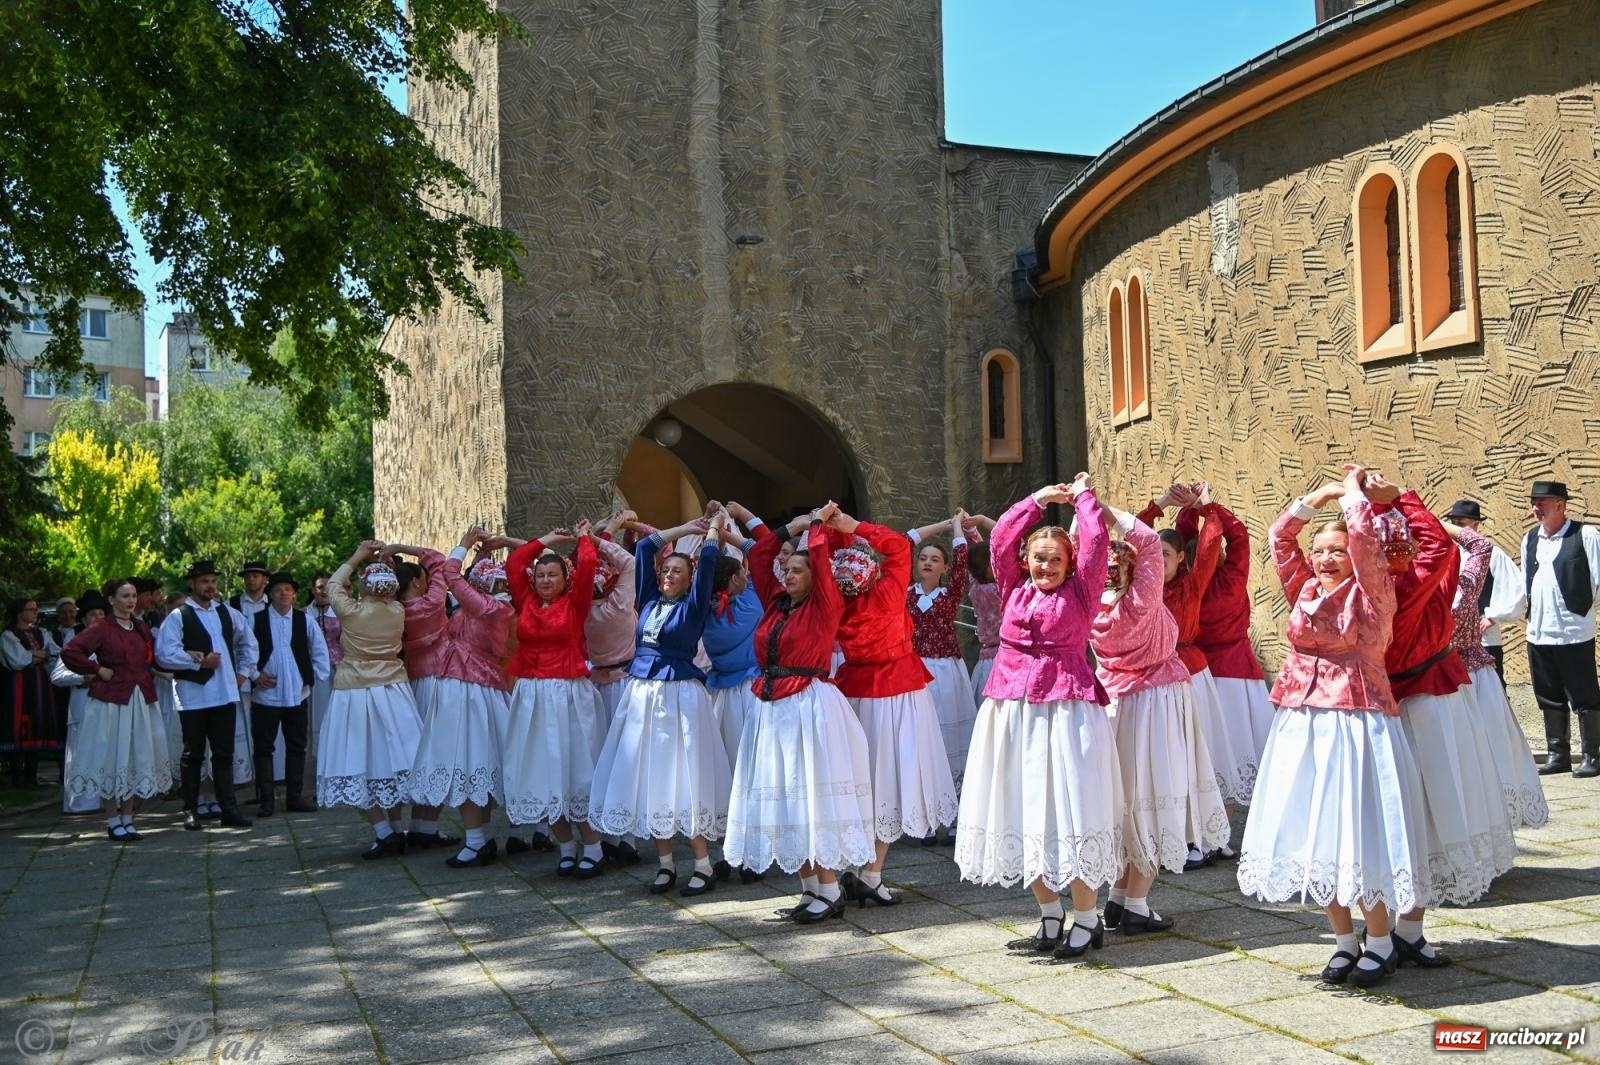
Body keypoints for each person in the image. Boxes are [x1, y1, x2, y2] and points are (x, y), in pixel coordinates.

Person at [1237, 467, 1430, 990]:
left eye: (1335, 551)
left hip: (1357, 722)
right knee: (1315, 832)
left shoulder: (1373, 595)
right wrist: (1313, 499)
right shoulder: (1303, 589)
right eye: (1319, 550)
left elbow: (1366, 540)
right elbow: (1279, 538)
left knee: (1358, 832)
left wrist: (1351, 498)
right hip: (1302, 723)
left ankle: (1383, 940)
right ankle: (1344, 941)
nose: (1323, 558)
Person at [956, 476, 1125, 959]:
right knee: (1022, 809)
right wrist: (1039, 501)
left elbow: (1095, 546)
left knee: (1070, 812)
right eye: (1039, 557)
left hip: (1067, 710)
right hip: (1011, 710)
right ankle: (1050, 914)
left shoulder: (1083, 591)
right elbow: (1003, 537)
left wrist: (1085, 499)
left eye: (1056, 558)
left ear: (1070, 563)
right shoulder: (1012, 587)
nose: (1046, 565)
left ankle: (1088, 918)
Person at [1369, 476, 1514, 965]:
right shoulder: (1386, 584)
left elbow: (1450, 547)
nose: (1396, 552)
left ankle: (1408, 928)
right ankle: (1392, 928)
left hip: (1429, 702)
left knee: (1432, 814)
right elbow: (1448, 543)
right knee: (1397, 818)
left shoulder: (1432, 575)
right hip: (1390, 706)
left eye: (1400, 544)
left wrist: (1387, 506)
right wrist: (1401, 502)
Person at [724, 502, 875, 923]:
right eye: (786, 569)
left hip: (807, 703)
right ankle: (809, 888)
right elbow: (758, 556)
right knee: (786, 799)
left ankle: (829, 889)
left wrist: (815, 526)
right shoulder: (776, 603)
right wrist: (781, 527)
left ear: (814, 577)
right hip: (771, 706)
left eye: (797, 570)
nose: (788, 575)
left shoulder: (824, 604)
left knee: (811, 797)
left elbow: (822, 560)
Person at [1091, 499, 1229, 935]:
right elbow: (1149, 542)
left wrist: (1085, 514)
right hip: (1156, 704)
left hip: (1112, 703)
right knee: (1155, 795)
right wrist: (1102, 508)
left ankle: (1116, 897)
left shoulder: (1092, 606)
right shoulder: (1143, 600)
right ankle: (1135, 902)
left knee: (1123, 799)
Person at [591, 514, 730, 896]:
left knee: (686, 775)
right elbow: (644, 547)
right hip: (642, 693)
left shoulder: (694, 606)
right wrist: (685, 529)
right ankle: (666, 864)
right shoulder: (649, 598)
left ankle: (702, 865)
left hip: (680, 694)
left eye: (677, 571)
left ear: (689, 579)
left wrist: (713, 531)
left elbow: (709, 564)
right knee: (651, 774)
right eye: (666, 570)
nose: (668, 575)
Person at [826, 507, 957, 907]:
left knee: (859, 781)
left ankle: (853, 867)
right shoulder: (886, 594)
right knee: (892, 783)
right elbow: (900, 546)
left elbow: (830, 561)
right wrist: (853, 527)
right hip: (899, 692)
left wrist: (828, 532)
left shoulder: (838, 604)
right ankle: (871, 872)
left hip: (854, 693)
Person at [1139, 484, 1254, 867]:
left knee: (1200, 757)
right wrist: (1163, 506)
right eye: (1153, 554)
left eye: (1166, 553)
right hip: (1152, 681)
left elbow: (1209, 544)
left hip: (1191, 675)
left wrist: (1207, 508)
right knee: (1169, 760)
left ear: (1179, 559)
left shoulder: (1192, 584)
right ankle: (1182, 834)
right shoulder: (1140, 590)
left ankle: (1205, 836)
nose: (1157, 559)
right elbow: (1134, 541)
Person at [396, 527, 516, 867]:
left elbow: (449, 571)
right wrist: (482, 554)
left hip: (468, 691)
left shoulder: (489, 607)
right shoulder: (491, 605)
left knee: (468, 764)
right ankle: (483, 838)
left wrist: (464, 545)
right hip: (472, 688)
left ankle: (479, 841)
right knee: (478, 764)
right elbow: (462, 579)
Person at [501, 521, 609, 877]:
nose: (546, 580)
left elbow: (590, 566)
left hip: (568, 695)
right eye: (541, 575)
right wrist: (547, 541)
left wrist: (582, 539)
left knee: (576, 772)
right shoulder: (526, 599)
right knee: (542, 772)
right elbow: (516, 562)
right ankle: (565, 847)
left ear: (566, 580)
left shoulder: (575, 604)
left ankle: (592, 848)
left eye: (553, 574)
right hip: (532, 694)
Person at [318, 542, 425, 857]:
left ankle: (383, 831)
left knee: (359, 760)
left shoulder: (350, 611)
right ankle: (394, 830)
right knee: (388, 760)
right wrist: (386, 563)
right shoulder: (397, 610)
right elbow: (386, 589)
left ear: (365, 585)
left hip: (355, 691)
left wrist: (359, 556)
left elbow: (334, 583)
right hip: (393, 689)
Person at [1445, 519, 1548, 828]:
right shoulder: (1417, 590)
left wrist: (1493, 615)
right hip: (1447, 678)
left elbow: (1483, 547)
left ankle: (1488, 821)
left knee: (1484, 752)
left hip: (1471, 674)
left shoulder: (1462, 585)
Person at [59, 579, 174, 841]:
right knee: (112, 757)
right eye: (125, 596)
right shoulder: (102, 627)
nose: (131, 600)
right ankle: (113, 820)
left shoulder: (141, 627)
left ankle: (128, 819)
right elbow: (70, 651)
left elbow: (151, 659)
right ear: (111, 600)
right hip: (111, 701)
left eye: (133, 595)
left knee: (135, 755)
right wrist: (97, 669)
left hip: (139, 698)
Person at [153, 561, 258, 831]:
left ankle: (229, 809)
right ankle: (190, 809)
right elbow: (164, 653)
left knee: (224, 753)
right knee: (193, 755)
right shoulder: (179, 616)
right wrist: (197, 663)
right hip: (193, 696)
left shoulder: (227, 612)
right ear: (192, 584)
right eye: (204, 581)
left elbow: (249, 642)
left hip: (224, 693)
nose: (210, 586)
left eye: (212, 581)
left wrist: (244, 671)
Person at [1173, 493, 1275, 763]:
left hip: (1196, 672)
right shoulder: (1232, 579)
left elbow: (1181, 537)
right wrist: (1207, 506)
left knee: (1206, 747)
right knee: (1242, 746)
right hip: (1236, 668)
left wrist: (1190, 510)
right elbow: (1239, 536)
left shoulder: (1184, 585)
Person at [907, 509, 979, 843]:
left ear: (944, 567)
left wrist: (955, 528)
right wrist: (937, 526)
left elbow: (963, 561)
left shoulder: (949, 594)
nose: (927, 563)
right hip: (916, 672)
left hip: (946, 673)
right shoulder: (906, 595)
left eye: (935, 559)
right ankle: (924, 817)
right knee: (922, 741)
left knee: (951, 740)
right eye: (923, 558)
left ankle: (953, 817)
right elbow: (905, 541)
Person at [1521, 481, 1600, 777]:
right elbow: (1525, 581)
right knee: (1549, 695)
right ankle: (1558, 754)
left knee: (1584, 696)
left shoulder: (1585, 535)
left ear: (1560, 504)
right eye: (1533, 502)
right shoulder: (1530, 538)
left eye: (1542, 502)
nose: (1536, 507)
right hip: (1538, 633)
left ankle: (1593, 754)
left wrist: (1580, 611)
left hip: (1573, 632)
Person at [249, 572, 330, 815]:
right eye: (277, 590)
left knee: (297, 745)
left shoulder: (304, 620)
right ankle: (267, 800)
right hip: (265, 696)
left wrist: (310, 679)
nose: (283, 593)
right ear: (270, 595)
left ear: (294, 595)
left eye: (288, 589)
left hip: (297, 695)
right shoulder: (256, 620)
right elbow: (245, 652)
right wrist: (255, 676)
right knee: (264, 747)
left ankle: (294, 797)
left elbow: (319, 651)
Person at [1444, 499, 1525, 685]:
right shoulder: (1448, 553)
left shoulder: (1492, 554)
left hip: (1484, 639)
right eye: (1454, 525)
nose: (1458, 531)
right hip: (1454, 640)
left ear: (1476, 524)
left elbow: (1515, 586)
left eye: (1462, 525)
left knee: (1491, 687)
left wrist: (1493, 616)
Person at [53, 591, 109, 814]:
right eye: (93, 614)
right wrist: (83, 677)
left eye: (102, 613)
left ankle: (106, 800)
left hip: (107, 704)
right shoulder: (74, 640)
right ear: (84, 619)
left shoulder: (111, 637)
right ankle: (81, 803)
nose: (98, 618)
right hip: (82, 705)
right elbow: (57, 676)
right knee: (81, 753)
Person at [3, 597, 63, 788]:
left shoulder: (41, 632)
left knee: (37, 722)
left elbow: (54, 652)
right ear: (19, 613)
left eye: (36, 609)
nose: (35, 613)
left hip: (39, 684)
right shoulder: (8, 635)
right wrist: (36, 654)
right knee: (20, 724)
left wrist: (34, 654)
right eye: (31, 609)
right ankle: (18, 777)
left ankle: (32, 776)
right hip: (18, 686)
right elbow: (17, 660)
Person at [307, 572, 343, 770]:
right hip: (315, 673)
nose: (324, 591)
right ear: (313, 589)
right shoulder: (304, 614)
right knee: (318, 717)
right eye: (321, 587)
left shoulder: (341, 612)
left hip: (340, 670)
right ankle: (319, 764)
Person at [965, 533, 1002, 707]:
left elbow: (977, 555)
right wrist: (978, 524)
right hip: (1004, 661)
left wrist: (968, 530)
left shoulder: (975, 588)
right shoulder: (1003, 589)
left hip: (985, 663)